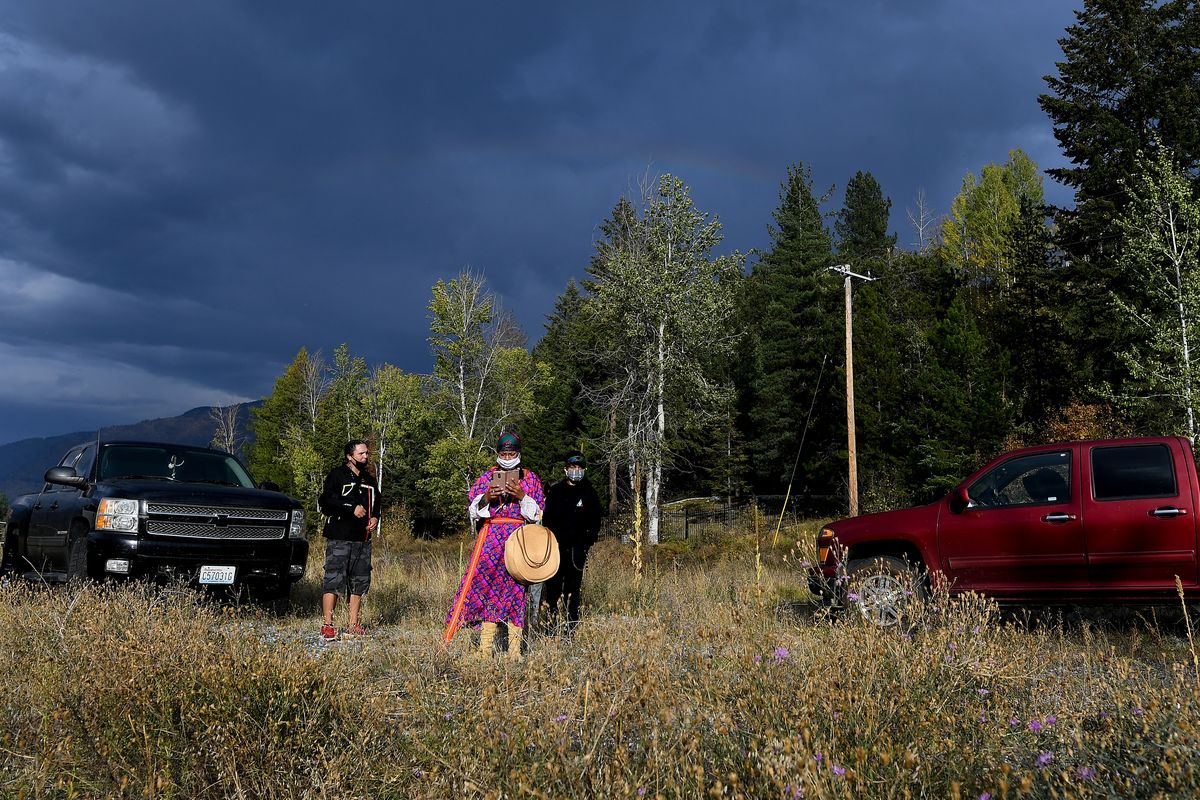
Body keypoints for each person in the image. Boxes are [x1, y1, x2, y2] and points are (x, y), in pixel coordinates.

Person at [445, 432, 544, 660]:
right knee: (489, 589)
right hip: (490, 539)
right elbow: (472, 508)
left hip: (518, 538)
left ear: (518, 453)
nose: (507, 457)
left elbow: (538, 513)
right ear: (498, 453)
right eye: (503, 453)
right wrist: (488, 496)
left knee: (517, 590)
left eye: (511, 453)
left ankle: (514, 650)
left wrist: (521, 496)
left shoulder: (530, 478)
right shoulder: (488, 476)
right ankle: (485, 648)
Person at [317, 440, 380, 641]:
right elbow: (325, 502)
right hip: (340, 537)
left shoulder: (369, 480)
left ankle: (353, 624)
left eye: (367, 453)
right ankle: (328, 625)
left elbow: (376, 504)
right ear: (349, 456)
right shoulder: (337, 475)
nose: (365, 457)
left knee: (359, 581)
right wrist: (350, 508)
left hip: (362, 538)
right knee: (334, 579)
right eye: (361, 453)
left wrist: (375, 518)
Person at [541, 451, 603, 634]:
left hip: (577, 550)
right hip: (555, 548)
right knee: (552, 588)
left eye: (579, 468)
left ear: (583, 469)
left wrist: (587, 542)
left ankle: (570, 627)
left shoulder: (589, 492)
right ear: (565, 469)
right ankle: (551, 626)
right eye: (572, 467)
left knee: (573, 589)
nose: (576, 471)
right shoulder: (556, 491)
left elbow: (596, 520)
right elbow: (547, 518)